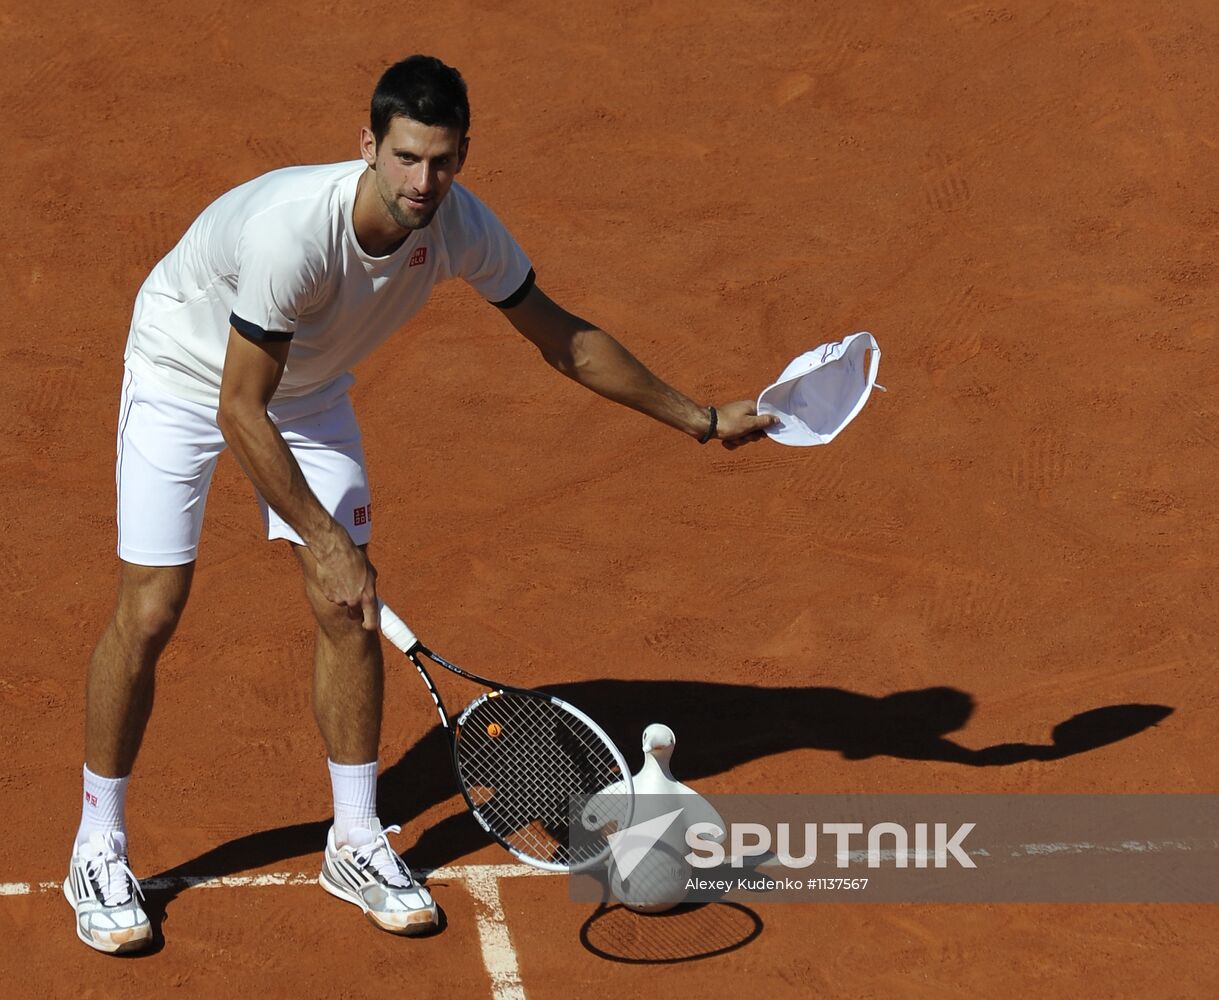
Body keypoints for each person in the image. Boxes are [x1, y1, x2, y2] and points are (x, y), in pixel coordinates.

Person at [65, 54, 775, 954]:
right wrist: (323, 539)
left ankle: (356, 841)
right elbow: (237, 409)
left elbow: (562, 339)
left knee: (347, 609)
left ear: (463, 155)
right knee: (155, 605)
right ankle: (98, 843)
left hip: (308, 392)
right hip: (185, 373)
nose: (421, 182)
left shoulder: (460, 226)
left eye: (440, 162)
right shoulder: (294, 233)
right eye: (404, 157)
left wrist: (702, 419)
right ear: (368, 145)